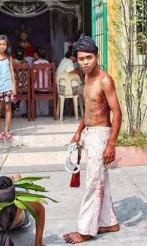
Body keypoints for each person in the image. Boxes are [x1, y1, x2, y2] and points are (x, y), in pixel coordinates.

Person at [63, 35, 122, 244]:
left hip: (101, 136)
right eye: (81, 58)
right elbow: (89, 110)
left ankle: (86, 230)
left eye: (89, 57)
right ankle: (110, 222)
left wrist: (111, 144)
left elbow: (117, 112)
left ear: (96, 56)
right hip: (89, 133)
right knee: (100, 181)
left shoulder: (104, 80)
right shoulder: (86, 77)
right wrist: (79, 132)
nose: (85, 62)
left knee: (93, 183)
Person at [33, 46, 50, 116]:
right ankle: (45, 112)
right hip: (47, 88)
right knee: (45, 97)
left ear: (37, 54)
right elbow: (49, 75)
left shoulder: (35, 63)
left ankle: (38, 112)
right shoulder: (47, 62)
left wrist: (32, 84)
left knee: (36, 89)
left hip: (37, 88)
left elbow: (34, 77)